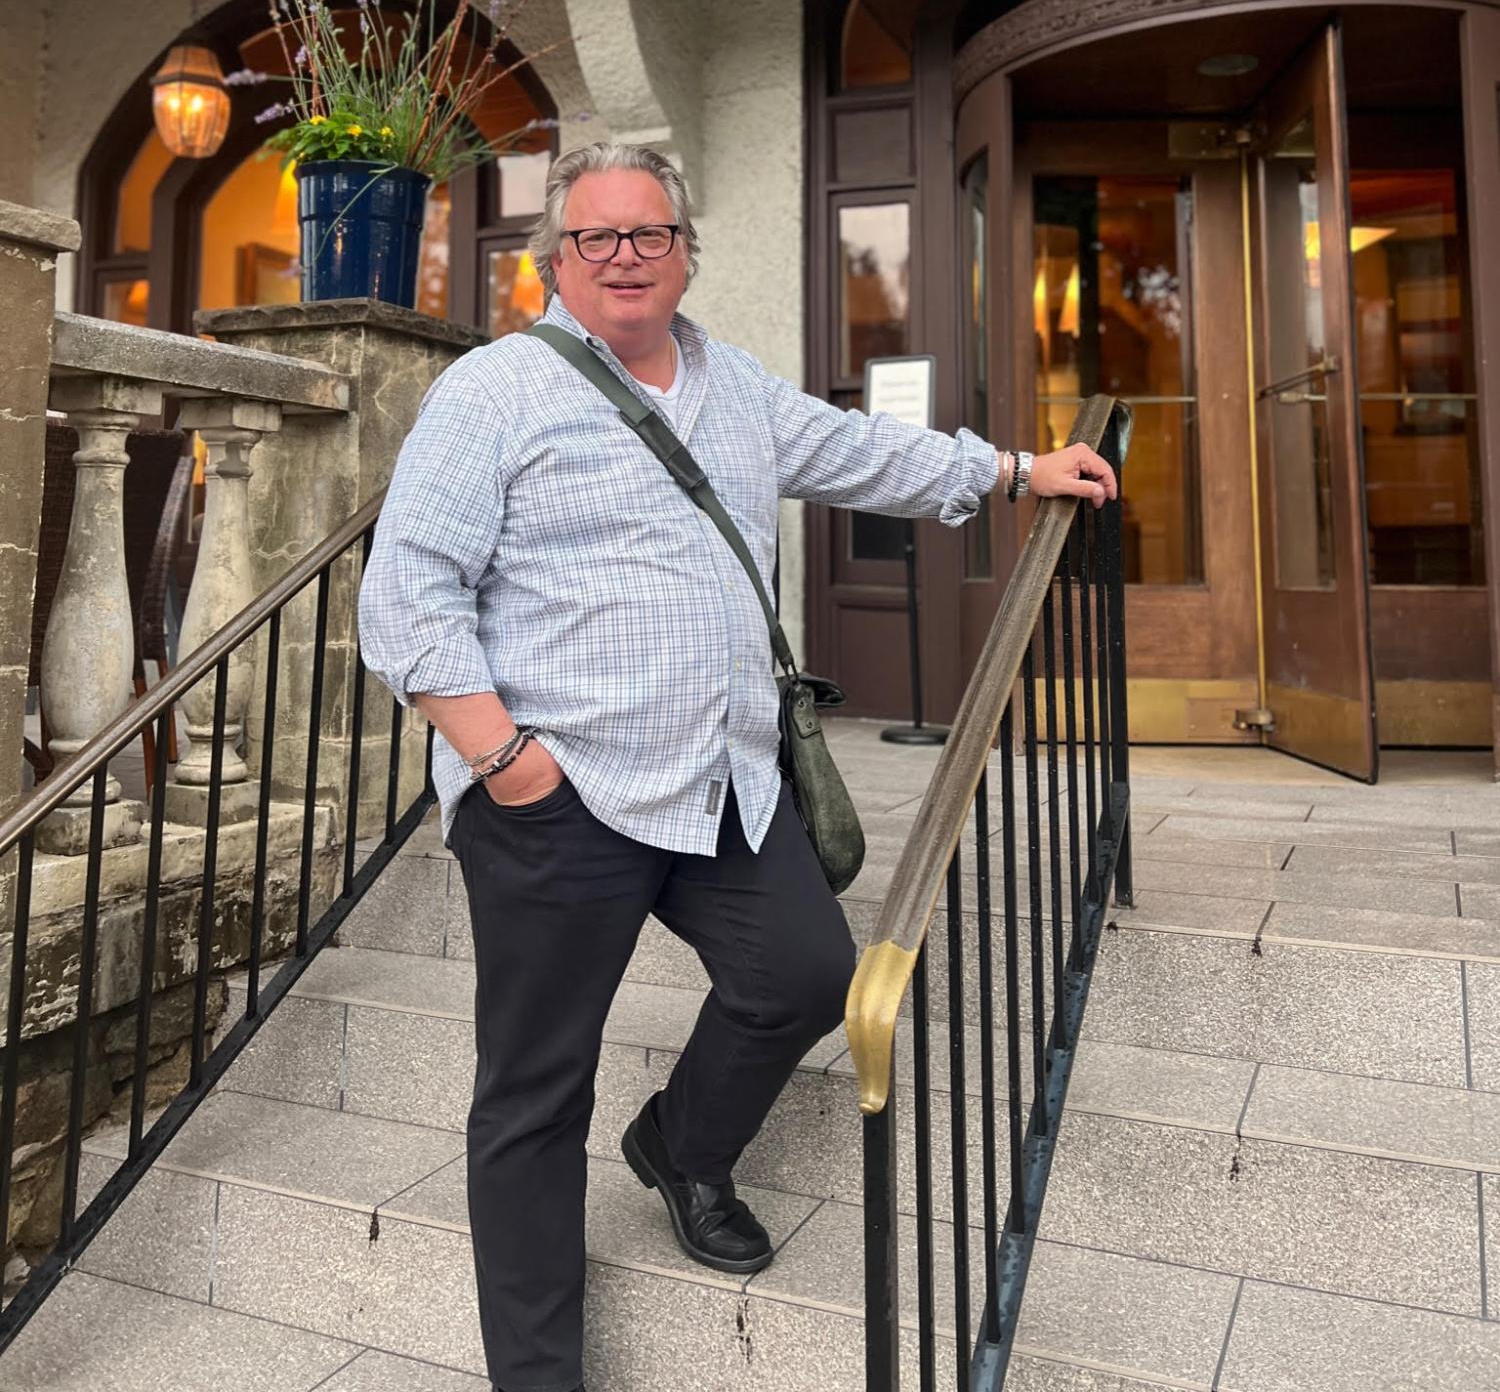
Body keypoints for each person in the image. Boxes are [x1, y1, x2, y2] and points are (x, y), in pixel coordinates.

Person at [358, 141, 1116, 1392]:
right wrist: (503, 759)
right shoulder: (494, 392)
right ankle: (538, 1374)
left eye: (648, 234)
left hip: (723, 778)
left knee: (809, 976)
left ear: (684, 249)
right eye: (596, 238)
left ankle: (681, 1147)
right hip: (561, 792)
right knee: (535, 1096)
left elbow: (858, 450)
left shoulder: (732, 382)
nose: (624, 258)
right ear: (556, 259)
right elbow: (409, 591)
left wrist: (1013, 470)